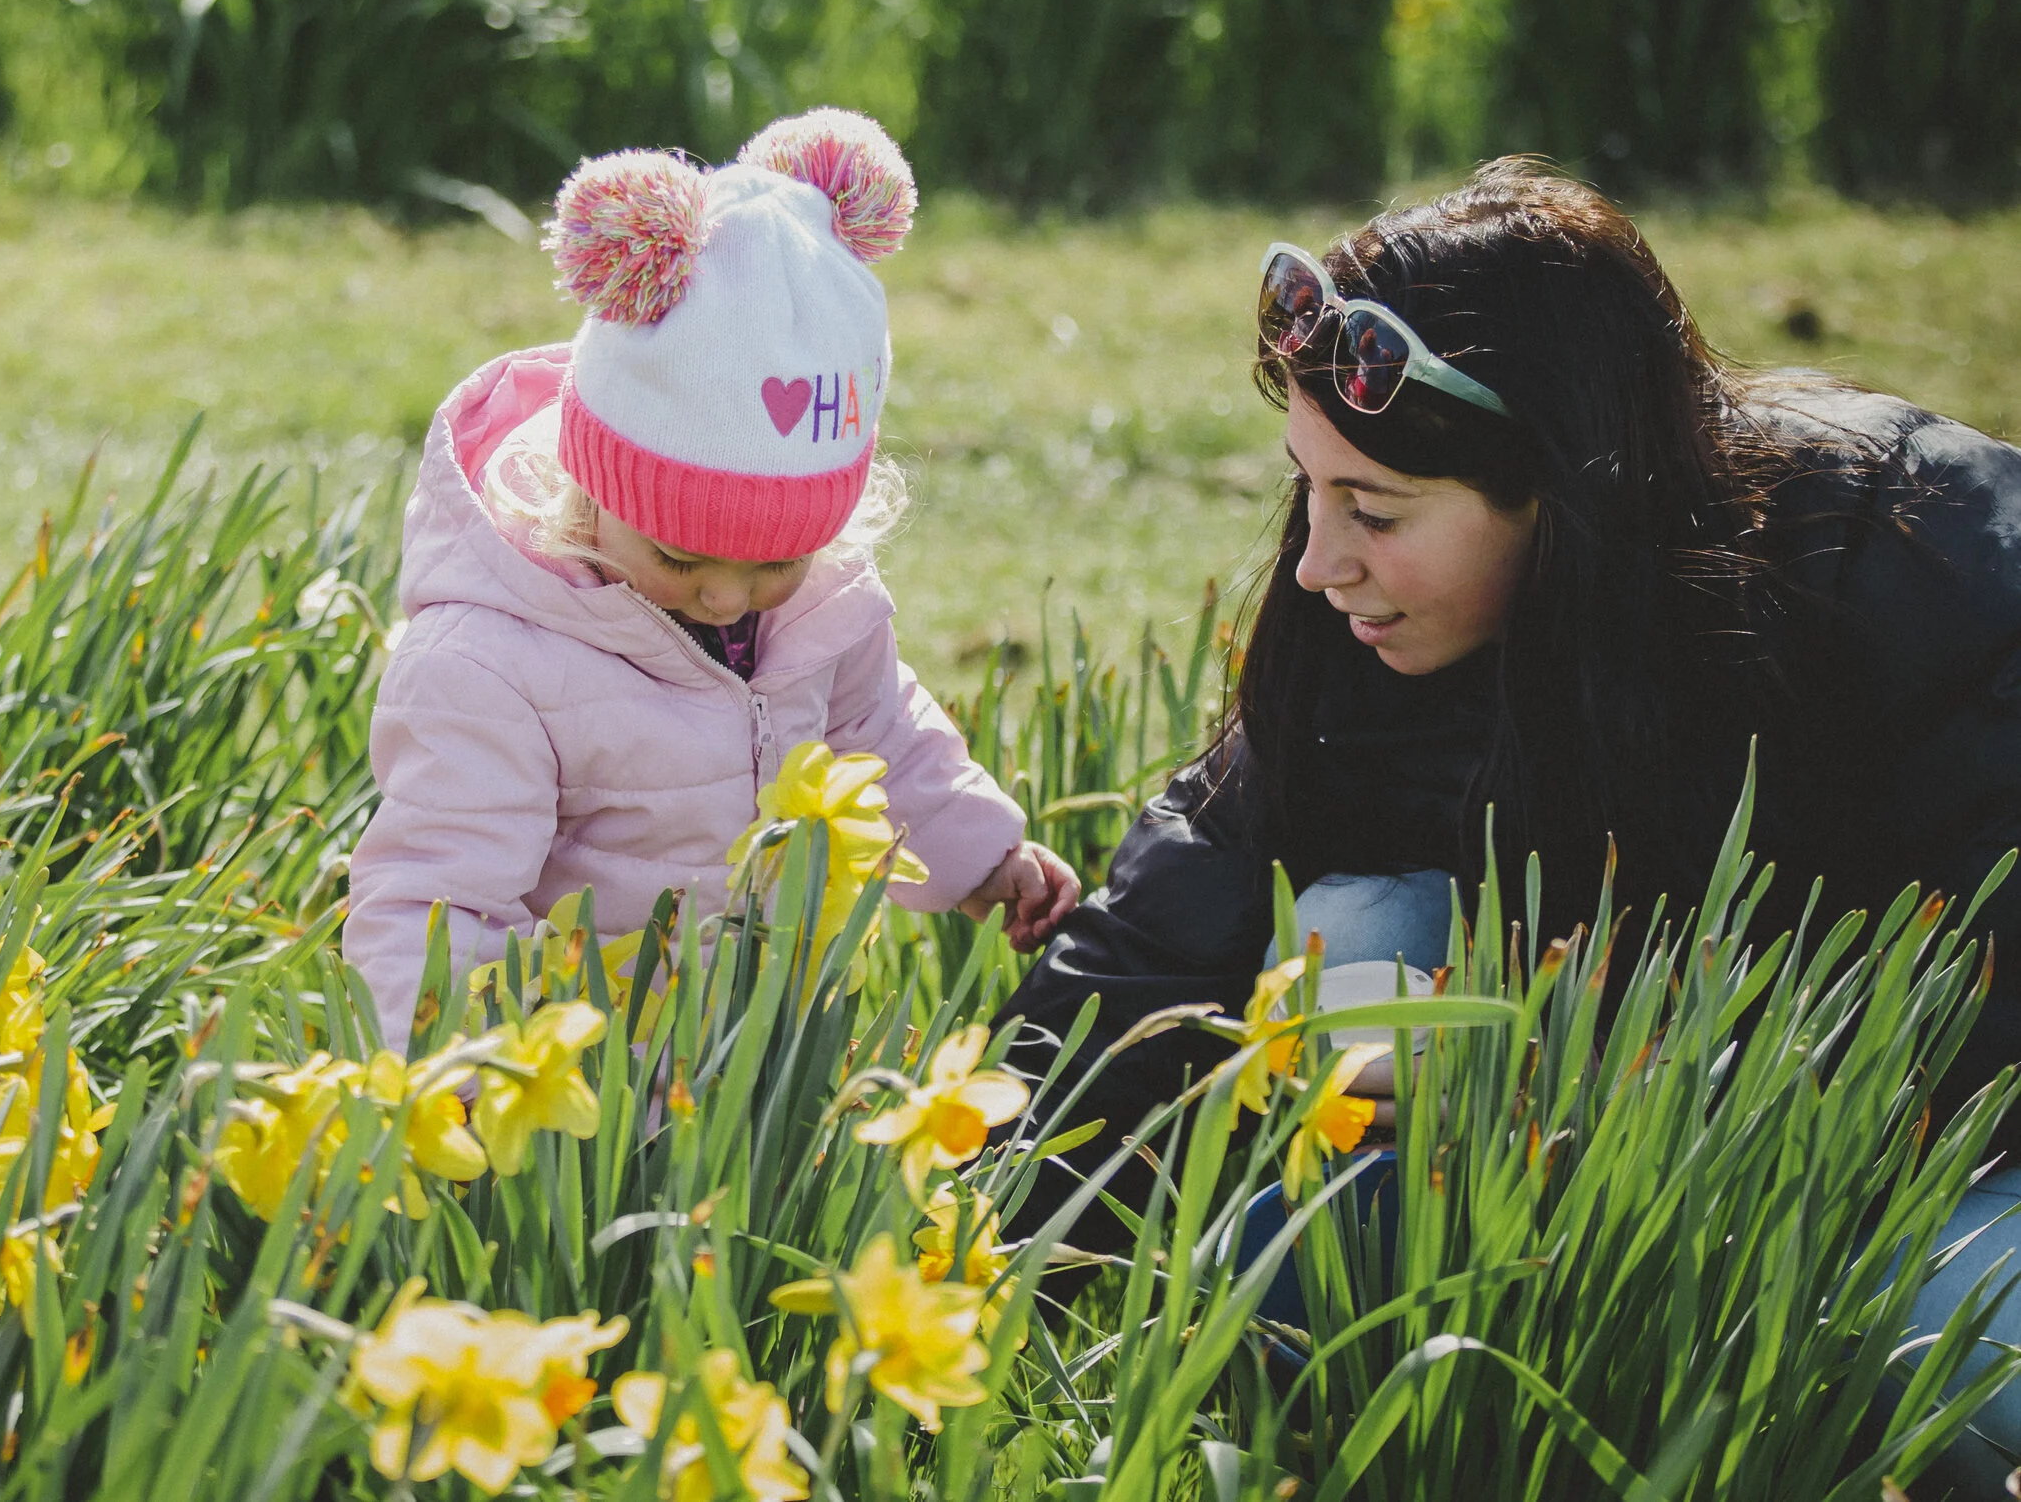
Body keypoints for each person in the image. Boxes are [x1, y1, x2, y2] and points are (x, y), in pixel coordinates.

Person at [994, 161, 2021, 1478]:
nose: (1316, 561)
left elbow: (1969, 964)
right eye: (1309, 487)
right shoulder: (1377, 623)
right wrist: (979, 1223)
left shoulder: (1898, 553)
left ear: (1565, 495)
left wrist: (1608, 1085)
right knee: (1345, 954)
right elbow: (1182, 909)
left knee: (1938, 1348)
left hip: (1936, 1135)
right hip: (1625, 1088)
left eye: (1372, 509)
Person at [345, 108, 1080, 1049]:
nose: (728, 598)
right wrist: (434, 1090)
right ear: (592, 488)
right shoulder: (493, 661)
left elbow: (878, 735)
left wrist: (983, 856)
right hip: (574, 1073)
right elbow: (435, 897)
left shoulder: (825, 606)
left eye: (776, 561)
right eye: (681, 560)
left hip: (750, 1055)